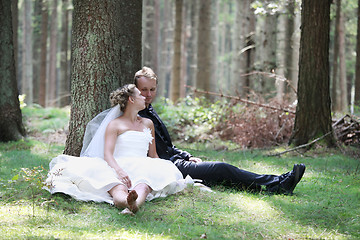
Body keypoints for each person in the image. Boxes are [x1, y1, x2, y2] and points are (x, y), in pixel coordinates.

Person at [134, 66, 306, 194]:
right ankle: (277, 182)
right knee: (221, 168)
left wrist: (187, 155)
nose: (149, 94)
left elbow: (166, 145)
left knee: (222, 177)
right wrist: (180, 161)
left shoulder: (149, 109)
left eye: (152, 89)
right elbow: (154, 152)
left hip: (176, 160)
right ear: (136, 89)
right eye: (144, 90)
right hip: (168, 167)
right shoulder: (136, 116)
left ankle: (276, 185)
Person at [44, 84, 192, 215]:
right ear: (131, 100)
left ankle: (134, 204)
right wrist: (119, 171)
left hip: (143, 164)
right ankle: (125, 201)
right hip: (116, 164)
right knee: (118, 188)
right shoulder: (115, 124)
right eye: (140, 94)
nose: (145, 97)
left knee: (143, 186)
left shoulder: (148, 123)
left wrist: (161, 170)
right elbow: (107, 154)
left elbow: (153, 155)